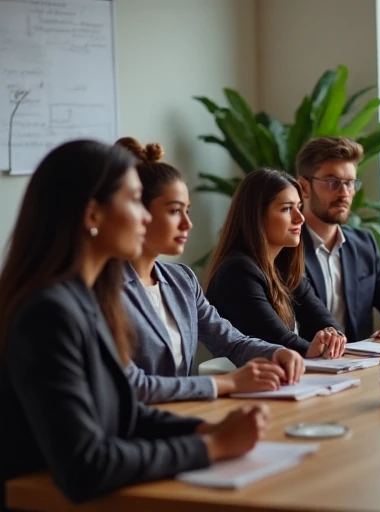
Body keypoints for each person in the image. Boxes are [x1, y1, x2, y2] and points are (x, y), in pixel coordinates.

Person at [0, 140, 268, 506]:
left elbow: (125, 410)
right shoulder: (49, 313)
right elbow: (86, 466)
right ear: (92, 215)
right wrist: (213, 445)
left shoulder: (88, 299)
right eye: (133, 201)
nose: (144, 217)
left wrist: (207, 427)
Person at [115, 138, 304, 404]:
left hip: (185, 418)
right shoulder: (105, 289)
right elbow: (130, 386)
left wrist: (277, 353)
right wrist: (227, 382)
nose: (188, 224)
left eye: (187, 211)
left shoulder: (182, 280)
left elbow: (231, 342)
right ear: (139, 213)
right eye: (174, 211)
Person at [295, 137, 380, 342]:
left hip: (360, 365)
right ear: (304, 187)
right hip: (304, 366)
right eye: (332, 183)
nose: (345, 193)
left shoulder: (362, 244)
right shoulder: (286, 246)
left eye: (350, 183)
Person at [206, 168, 346, 358]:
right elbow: (279, 342)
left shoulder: (284, 268)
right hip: (251, 384)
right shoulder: (237, 271)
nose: (300, 218)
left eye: (299, 207)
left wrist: (332, 335)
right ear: (256, 216)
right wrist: (313, 348)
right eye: (287, 209)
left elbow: (322, 319)